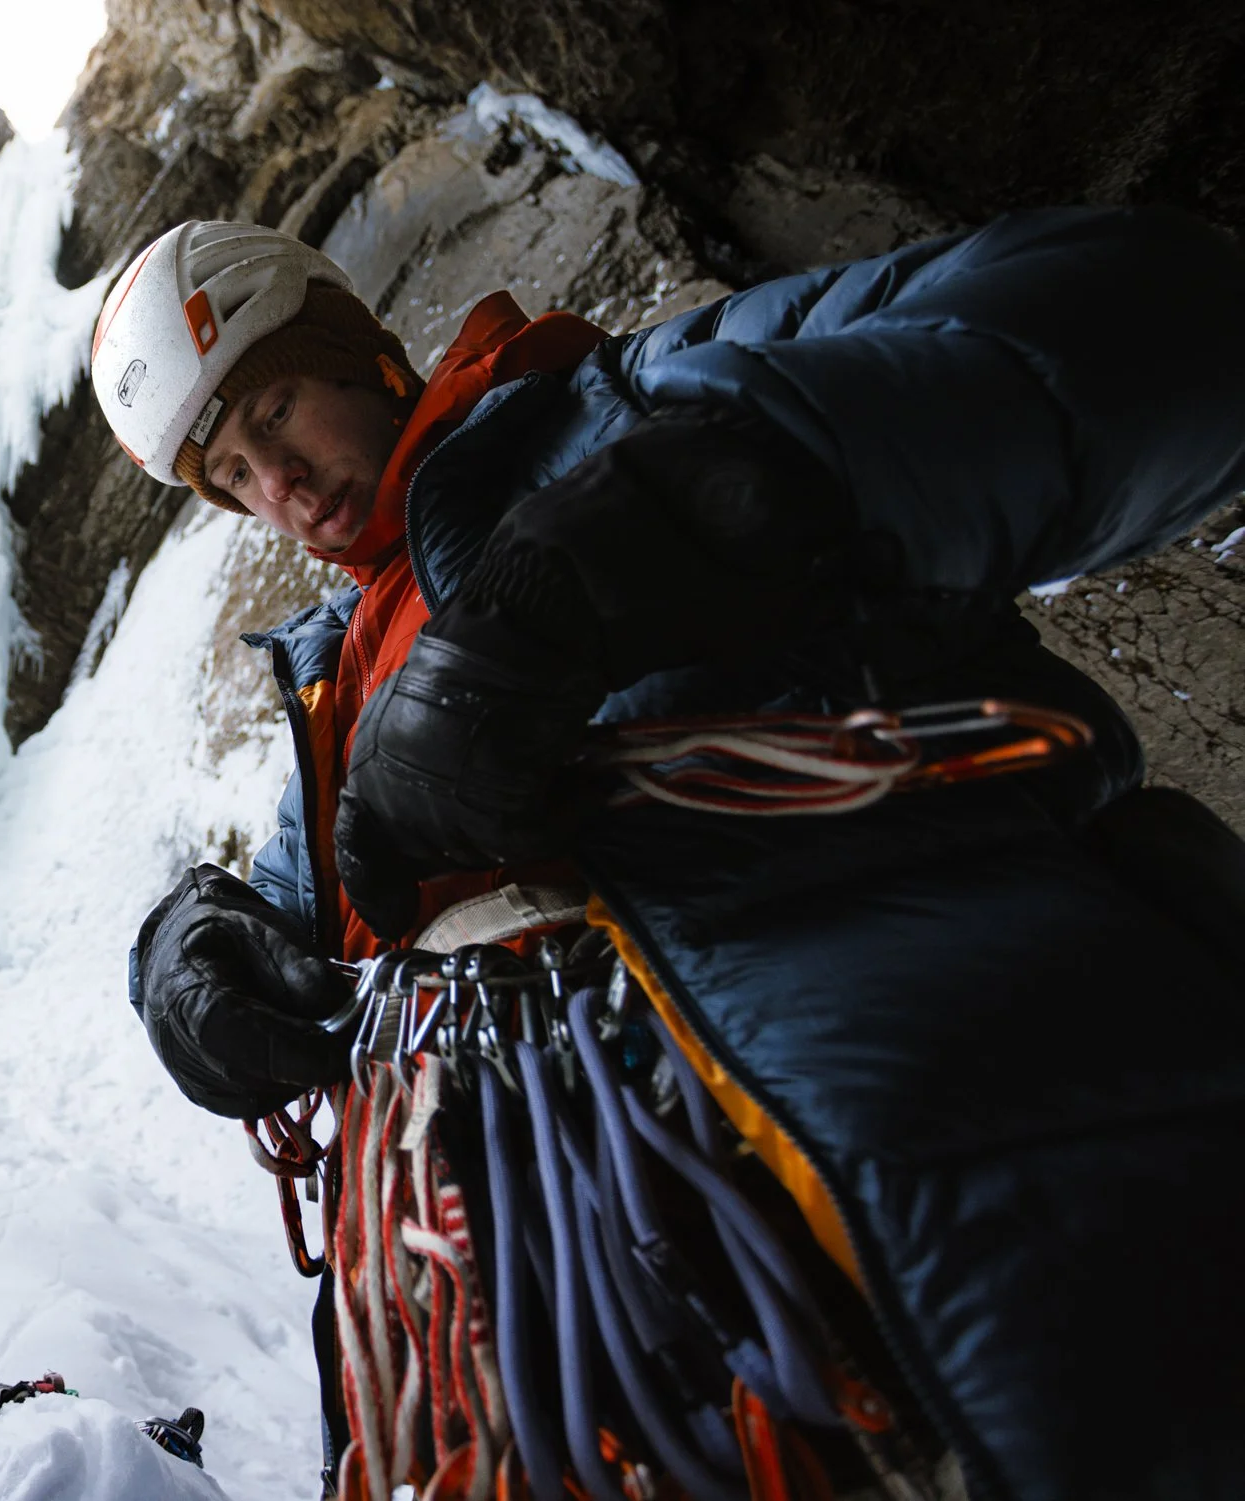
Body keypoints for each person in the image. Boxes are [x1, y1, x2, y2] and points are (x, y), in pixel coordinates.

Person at [96, 215, 1245, 1499]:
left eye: (280, 407)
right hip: (490, 1348)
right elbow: (277, 912)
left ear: (364, 347)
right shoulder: (334, 690)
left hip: (937, 1195)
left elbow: (1169, 318)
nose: (282, 490)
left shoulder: (618, 408)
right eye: (235, 475)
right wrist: (181, 955)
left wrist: (650, 529)